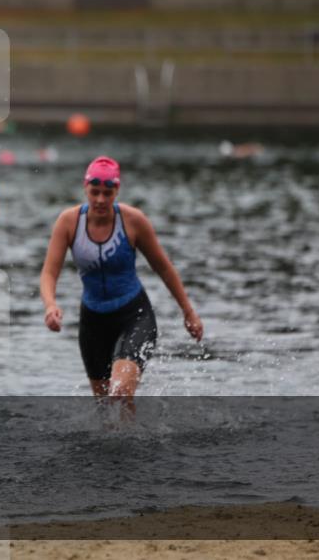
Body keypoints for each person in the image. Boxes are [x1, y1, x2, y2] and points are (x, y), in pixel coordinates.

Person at [39, 156, 202, 413]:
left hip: (133, 316)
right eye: (94, 192)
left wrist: (188, 312)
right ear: (85, 188)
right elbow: (49, 273)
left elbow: (164, 268)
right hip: (93, 322)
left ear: (117, 190)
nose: (100, 199)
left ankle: (134, 439)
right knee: (105, 409)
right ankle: (128, 439)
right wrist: (50, 305)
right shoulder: (69, 222)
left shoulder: (133, 221)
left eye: (108, 193)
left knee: (120, 393)